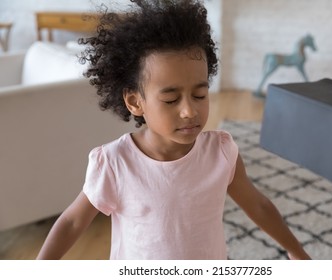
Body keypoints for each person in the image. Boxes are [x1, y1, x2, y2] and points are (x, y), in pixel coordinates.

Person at [37, 0, 310, 260]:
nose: (189, 110)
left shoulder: (222, 153)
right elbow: (73, 222)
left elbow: (258, 205)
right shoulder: (114, 163)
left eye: (200, 95)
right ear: (135, 102)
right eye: (171, 99)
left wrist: (297, 251)